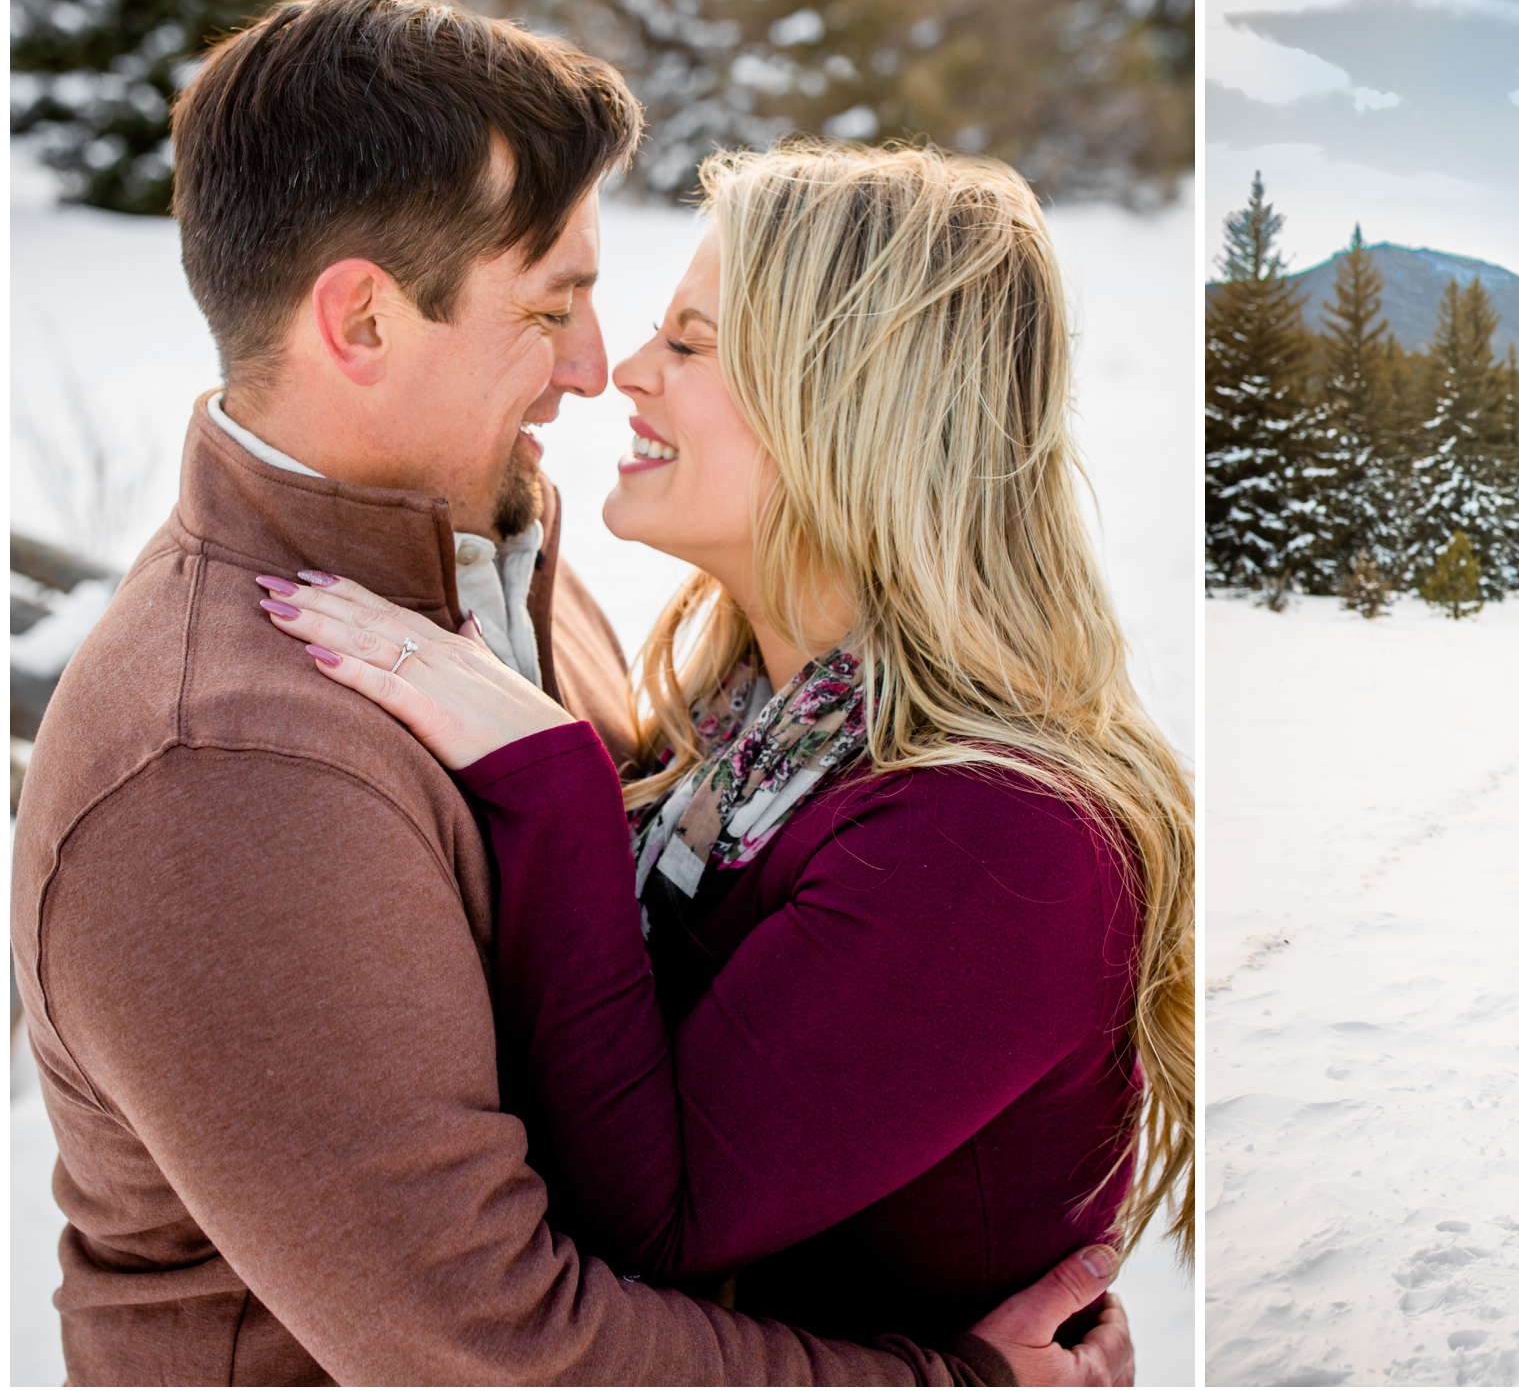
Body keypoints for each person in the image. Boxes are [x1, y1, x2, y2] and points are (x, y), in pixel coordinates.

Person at [10, 0, 1128, 1385]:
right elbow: (501, 1350)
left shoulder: (517, 574)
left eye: (675, 333)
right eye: (557, 307)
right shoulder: (226, 768)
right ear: (360, 322)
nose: (603, 372)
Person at [253, 139, 1197, 1348]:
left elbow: (659, 1215)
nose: (622, 373)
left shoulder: (1000, 837)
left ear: (853, 404)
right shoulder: (756, 729)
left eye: (689, 345)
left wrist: (554, 788)